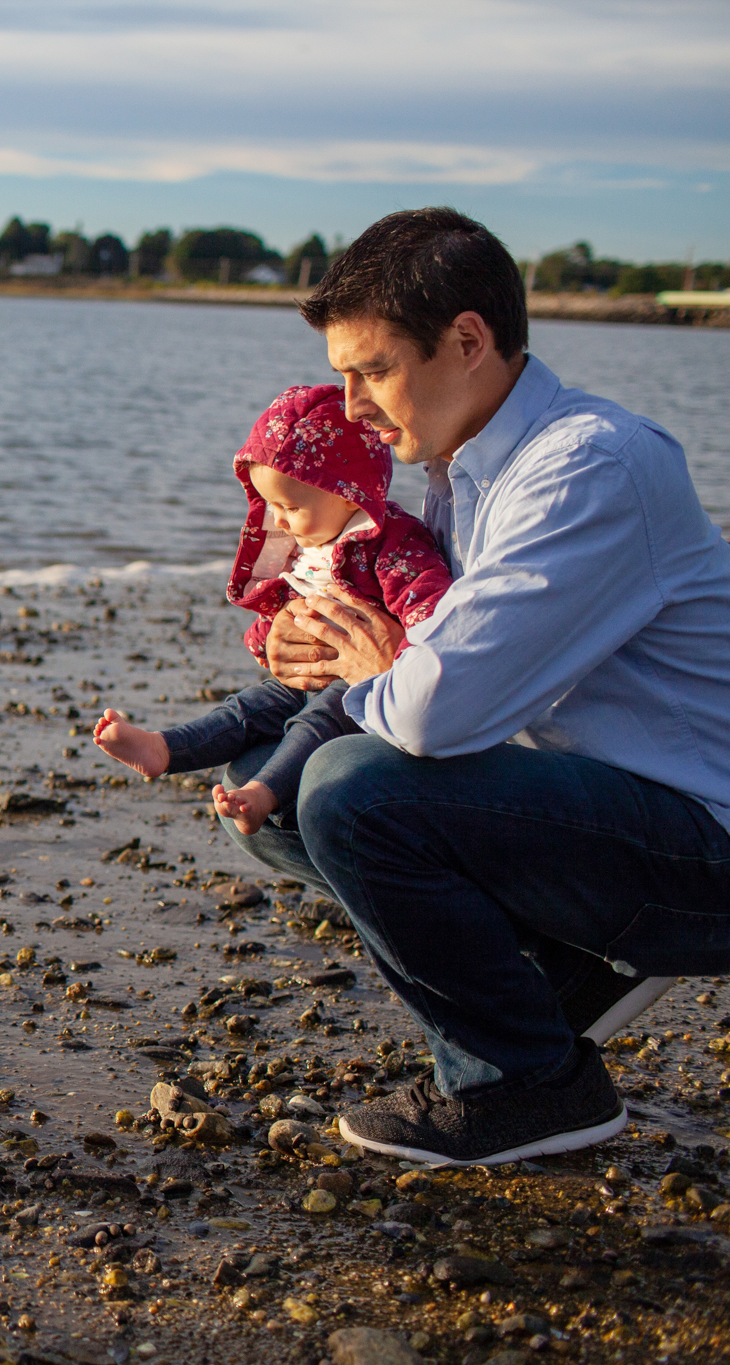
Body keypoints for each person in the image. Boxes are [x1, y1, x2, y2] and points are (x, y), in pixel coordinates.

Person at [228, 207, 730, 1166]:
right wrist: (318, 648)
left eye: (371, 370)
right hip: (608, 807)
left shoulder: (587, 467)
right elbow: (421, 664)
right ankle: (558, 976)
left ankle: (527, 1085)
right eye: (341, 374)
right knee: (270, 781)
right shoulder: (466, 470)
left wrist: (377, 671)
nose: (351, 406)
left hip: (707, 839)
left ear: (467, 340)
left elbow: (429, 707)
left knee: (349, 789)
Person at [93, 384, 451, 832]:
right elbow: (279, 618)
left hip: (367, 683)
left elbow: (427, 601)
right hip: (313, 674)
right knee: (248, 708)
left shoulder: (390, 539)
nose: (278, 520)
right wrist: (268, 645)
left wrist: (406, 656)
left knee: (318, 722)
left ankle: (263, 793)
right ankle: (163, 748)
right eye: (271, 505)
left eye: (291, 506)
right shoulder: (304, 546)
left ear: (346, 493)